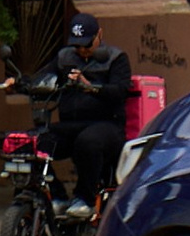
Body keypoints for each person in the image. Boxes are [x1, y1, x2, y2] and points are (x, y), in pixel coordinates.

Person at [18, 11, 133, 208]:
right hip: (70, 126)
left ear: (99, 35)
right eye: (77, 45)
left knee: (87, 142)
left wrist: (88, 86)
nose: (82, 50)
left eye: (87, 44)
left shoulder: (115, 58)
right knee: (30, 143)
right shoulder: (64, 58)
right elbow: (42, 78)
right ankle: (56, 196)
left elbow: (119, 91)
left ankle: (85, 199)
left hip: (106, 126)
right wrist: (19, 83)